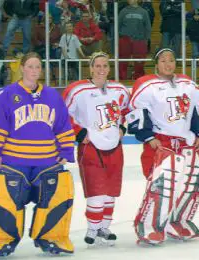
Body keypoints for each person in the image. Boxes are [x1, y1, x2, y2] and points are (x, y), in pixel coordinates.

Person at [0, 52, 76, 258]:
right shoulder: (6, 94)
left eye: (38, 67)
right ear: (22, 68)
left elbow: (63, 127)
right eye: (30, 66)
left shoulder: (52, 96)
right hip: (14, 161)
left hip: (47, 162)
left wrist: (66, 150)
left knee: (54, 200)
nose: (34, 70)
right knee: (5, 202)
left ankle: (52, 238)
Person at [127, 48, 199, 245]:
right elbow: (138, 112)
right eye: (163, 60)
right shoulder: (147, 85)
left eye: (171, 60)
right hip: (162, 142)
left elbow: (196, 111)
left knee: (193, 181)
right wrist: (148, 137)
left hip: (186, 142)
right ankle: (149, 226)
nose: (168, 64)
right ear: (156, 64)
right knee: (163, 184)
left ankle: (178, 221)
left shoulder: (187, 84)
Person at [63, 52, 130, 245]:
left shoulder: (119, 89)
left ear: (109, 68)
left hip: (114, 146)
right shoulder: (77, 90)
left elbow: (127, 111)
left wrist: (122, 128)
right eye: (97, 66)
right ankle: (92, 228)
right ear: (91, 68)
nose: (101, 69)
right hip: (91, 147)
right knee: (96, 191)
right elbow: (62, 114)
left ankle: (104, 227)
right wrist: (79, 132)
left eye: (105, 66)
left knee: (110, 191)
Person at [118, 0, 151, 80]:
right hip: (125, 40)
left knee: (139, 62)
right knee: (123, 61)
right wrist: (122, 36)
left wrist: (146, 40)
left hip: (139, 40)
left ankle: (138, 78)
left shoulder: (143, 12)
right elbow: (118, 26)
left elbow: (148, 27)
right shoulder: (123, 11)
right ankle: (122, 79)